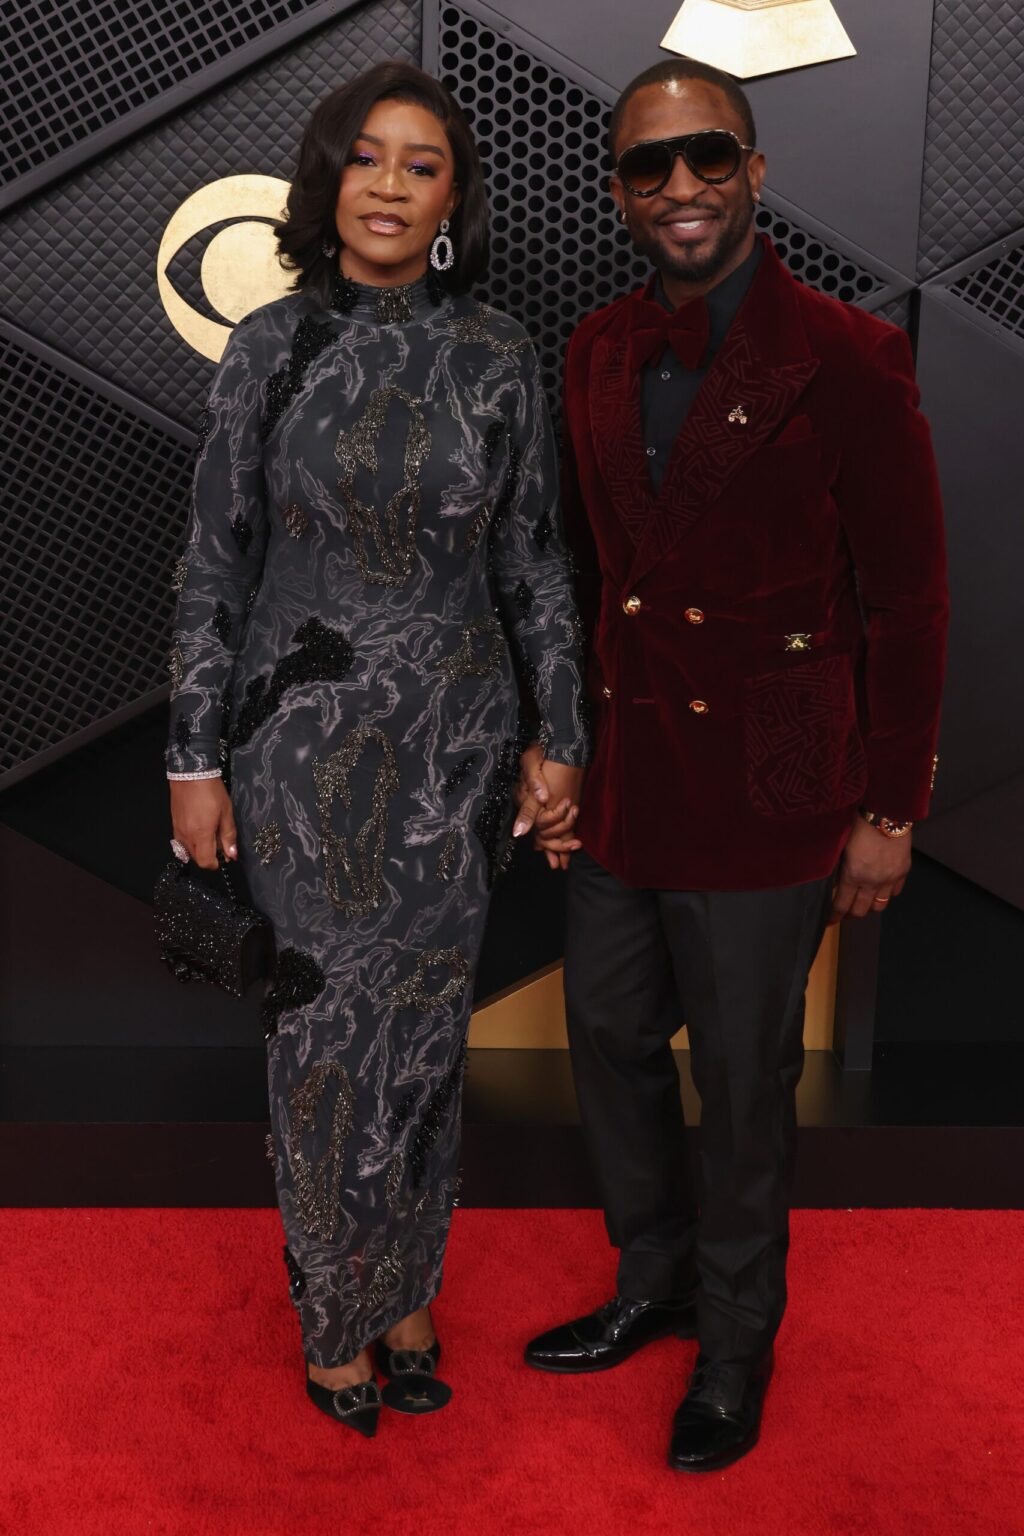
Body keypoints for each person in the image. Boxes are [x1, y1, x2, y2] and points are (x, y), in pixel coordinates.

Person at [517, 58, 948, 1472]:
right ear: (622, 188)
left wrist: (890, 802)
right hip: (633, 772)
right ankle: (655, 1279)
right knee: (611, 1043)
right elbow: (586, 575)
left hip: (773, 788)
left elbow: (907, 592)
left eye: (709, 157)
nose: (682, 187)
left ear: (757, 170)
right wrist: (562, 746)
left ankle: (738, 1343)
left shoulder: (846, 353)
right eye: (651, 165)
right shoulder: (591, 350)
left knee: (747, 1081)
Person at [166, 61, 587, 1439]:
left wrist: (559, 733)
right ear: (326, 179)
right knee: (322, 1039)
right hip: (300, 745)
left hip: (455, 753)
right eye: (369, 158)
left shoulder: (498, 352)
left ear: (453, 195)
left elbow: (532, 561)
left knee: (419, 1034)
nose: (392, 186)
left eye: (422, 164)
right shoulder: (269, 345)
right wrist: (193, 760)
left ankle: (410, 1287)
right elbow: (213, 569)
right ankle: (335, 1315)